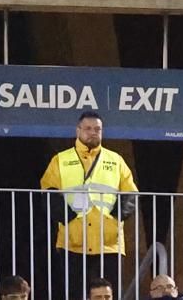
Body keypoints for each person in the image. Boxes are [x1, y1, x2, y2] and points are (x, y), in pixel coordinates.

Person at [39, 110, 138, 299]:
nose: (93, 132)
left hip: (109, 242)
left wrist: (117, 216)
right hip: (73, 242)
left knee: (110, 295)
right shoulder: (60, 160)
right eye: (88, 128)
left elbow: (130, 192)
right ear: (78, 131)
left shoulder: (115, 160)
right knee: (74, 294)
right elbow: (48, 191)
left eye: (97, 129)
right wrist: (67, 217)